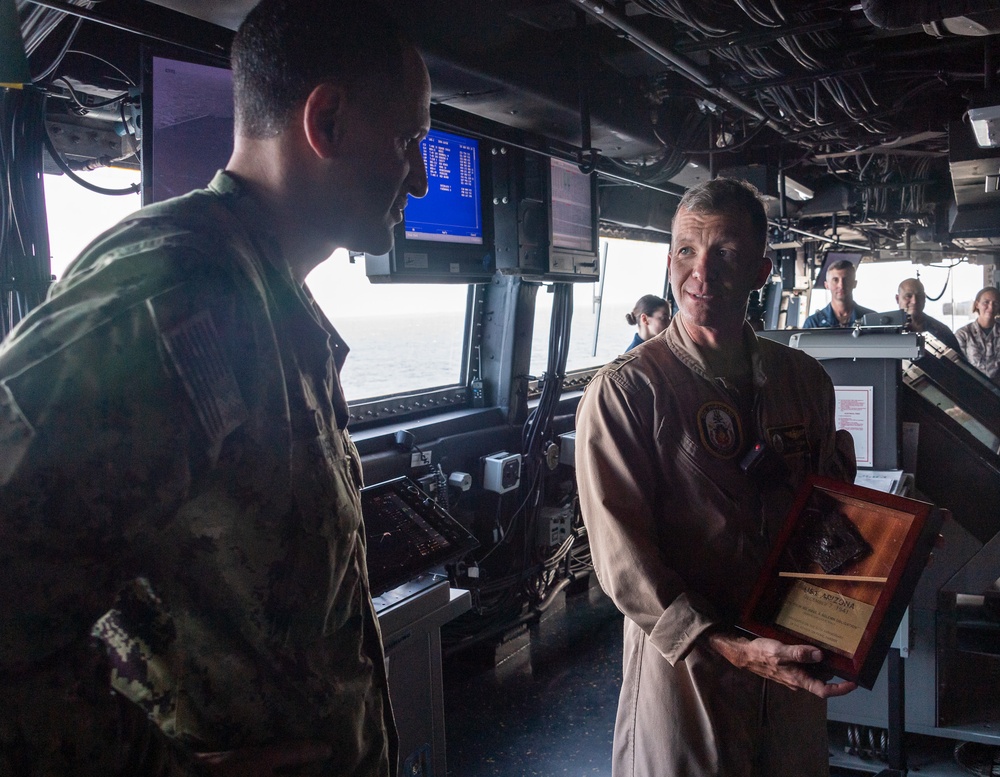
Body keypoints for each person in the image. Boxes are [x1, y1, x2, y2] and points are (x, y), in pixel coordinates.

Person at [0, 1, 430, 775]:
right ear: (324, 121)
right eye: (409, 141)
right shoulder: (173, 292)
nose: (422, 179)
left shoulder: (258, 294)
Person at [575, 178, 858, 777]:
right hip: (687, 676)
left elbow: (824, 516)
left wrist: (887, 552)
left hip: (791, 670)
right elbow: (625, 568)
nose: (700, 272)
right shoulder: (627, 393)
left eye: (724, 253)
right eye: (685, 251)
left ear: (761, 270)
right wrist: (731, 647)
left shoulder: (804, 381)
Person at [896, 277, 962, 353]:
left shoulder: (942, 331)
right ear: (897, 299)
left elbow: (957, 362)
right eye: (908, 296)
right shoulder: (887, 332)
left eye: (919, 296)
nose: (914, 301)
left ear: (924, 298)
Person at [802, 259, 875, 328]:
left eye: (846, 279)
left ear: (854, 283)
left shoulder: (872, 320)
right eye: (835, 280)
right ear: (826, 285)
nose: (841, 285)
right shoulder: (813, 324)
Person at [956, 286, 1000, 384]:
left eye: (995, 303)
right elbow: (958, 367)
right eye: (986, 302)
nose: (991, 307)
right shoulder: (963, 335)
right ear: (977, 304)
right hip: (973, 389)